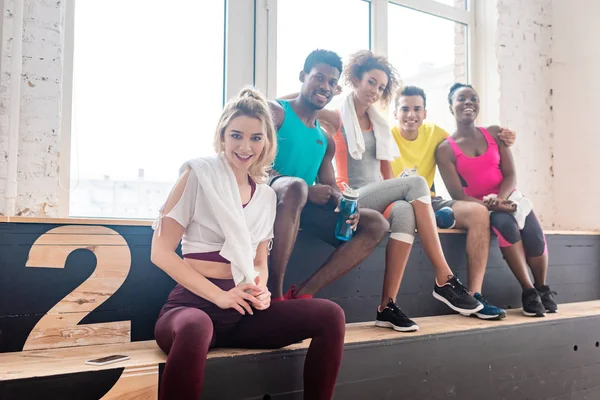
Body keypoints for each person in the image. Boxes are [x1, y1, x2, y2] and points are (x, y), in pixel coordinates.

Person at [151, 87, 346, 400]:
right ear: (223, 135)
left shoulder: (267, 195)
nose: (245, 146)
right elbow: (160, 253)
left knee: (330, 315)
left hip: (243, 313)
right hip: (192, 308)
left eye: (256, 138)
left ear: (267, 142)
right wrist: (221, 297)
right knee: (196, 327)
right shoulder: (197, 175)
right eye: (237, 135)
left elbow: (258, 262)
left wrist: (260, 289)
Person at [294, 49, 486, 332]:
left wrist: (401, 193)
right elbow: (297, 102)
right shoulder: (336, 117)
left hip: (376, 192)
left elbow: (387, 175)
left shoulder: (379, 123)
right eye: (371, 82)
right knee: (418, 183)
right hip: (350, 196)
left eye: (381, 87)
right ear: (356, 79)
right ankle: (444, 279)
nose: (375, 91)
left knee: (406, 209)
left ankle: (387, 306)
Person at [267, 49, 390, 302]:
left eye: (332, 83)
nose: (325, 86)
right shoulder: (276, 112)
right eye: (319, 78)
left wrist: (344, 204)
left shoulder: (325, 140)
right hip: (264, 200)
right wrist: (307, 190)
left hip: (299, 207)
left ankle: (301, 294)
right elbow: (251, 164)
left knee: (376, 223)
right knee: (297, 188)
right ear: (303, 76)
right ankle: (274, 296)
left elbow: (331, 185)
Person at [389, 85, 518, 320]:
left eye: (417, 109)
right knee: (411, 207)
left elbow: (465, 137)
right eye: (405, 109)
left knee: (478, 211)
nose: (411, 114)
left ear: (425, 113)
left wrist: (505, 134)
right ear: (395, 113)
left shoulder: (436, 134)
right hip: (399, 205)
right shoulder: (385, 137)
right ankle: (438, 220)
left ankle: (474, 295)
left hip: (429, 201)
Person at [435, 82, 558, 317]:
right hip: (480, 206)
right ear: (451, 107)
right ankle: (529, 291)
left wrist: (500, 199)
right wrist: (489, 205)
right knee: (505, 225)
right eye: (461, 99)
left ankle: (542, 287)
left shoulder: (493, 133)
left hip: (508, 197)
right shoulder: (445, 149)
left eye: (473, 98)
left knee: (532, 231)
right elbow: (457, 194)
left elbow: (510, 174)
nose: (468, 103)